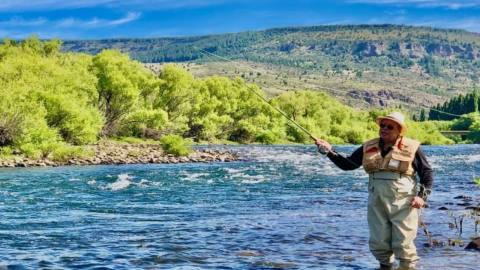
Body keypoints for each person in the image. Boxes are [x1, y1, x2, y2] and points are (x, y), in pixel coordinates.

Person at [315, 112, 433, 270]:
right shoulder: (368, 146)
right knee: (379, 241)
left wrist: (421, 197)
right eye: (382, 125)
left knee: (403, 242)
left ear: (399, 131)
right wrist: (329, 151)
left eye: (389, 127)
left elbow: (427, 173)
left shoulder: (413, 148)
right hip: (376, 200)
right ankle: (385, 266)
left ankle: (407, 267)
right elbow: (348, 164)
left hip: (404, 202)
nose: (384, 129)